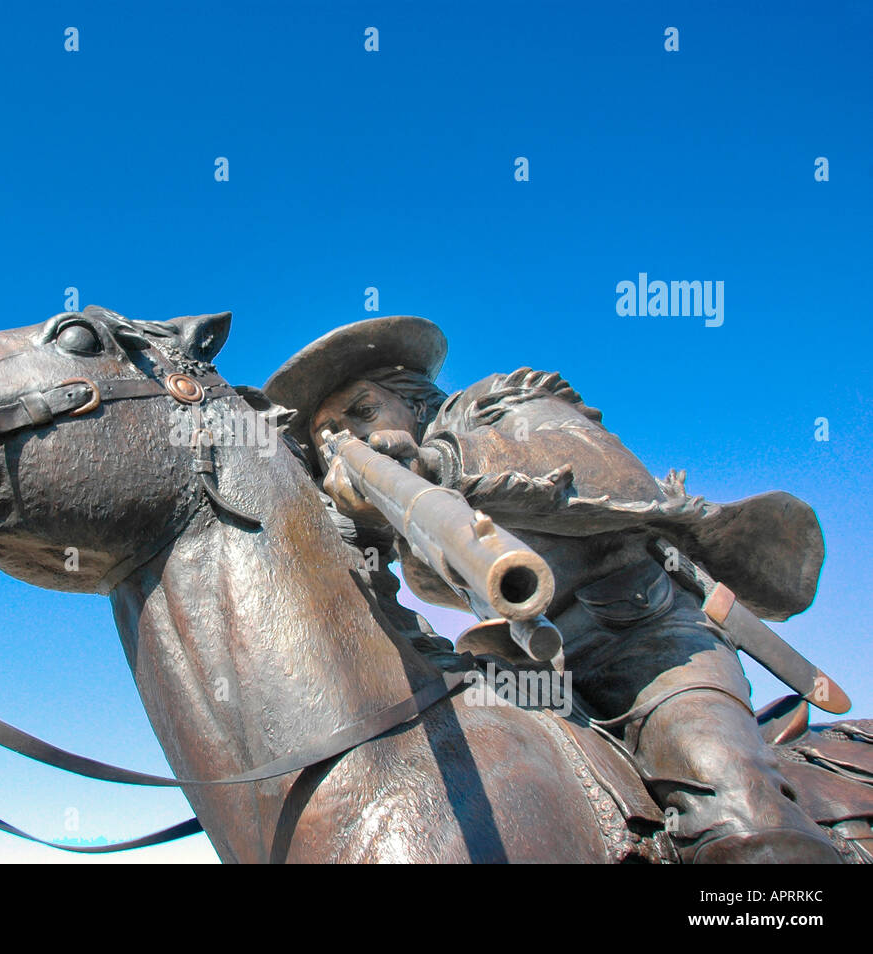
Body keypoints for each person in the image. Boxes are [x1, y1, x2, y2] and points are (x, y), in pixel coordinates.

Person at [264, 315, 842, 863]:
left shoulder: (498, 402)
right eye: (330, 438)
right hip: (535, 675)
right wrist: (354, 526)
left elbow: (603, 474)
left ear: (410, 396)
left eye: (363, 411)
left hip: (647, 641)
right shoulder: (401, 532)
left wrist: (440, 464)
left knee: (738, 811)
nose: (352, 437)